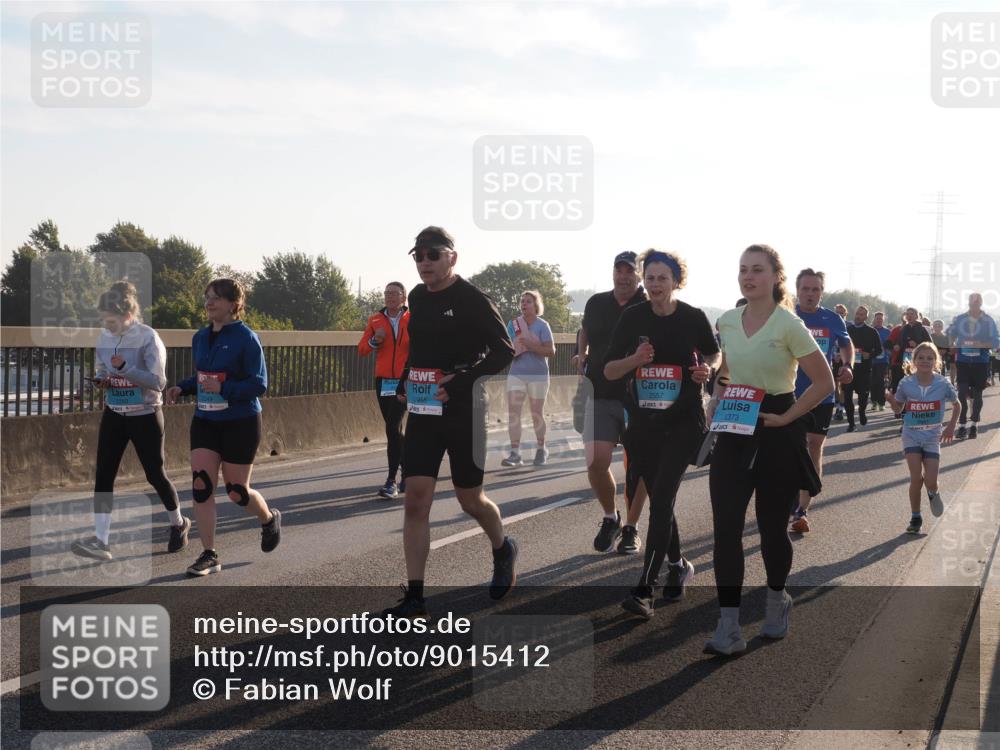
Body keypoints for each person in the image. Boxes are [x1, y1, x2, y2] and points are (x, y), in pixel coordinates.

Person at [704, 245, 833, 655]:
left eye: (757, 270)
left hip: (777, 423)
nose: (748, 276)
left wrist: (789, 416)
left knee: (770, 527)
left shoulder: (789, 324)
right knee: (725, 526)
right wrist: (715, 395)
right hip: (736, 423)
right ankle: (728, 627)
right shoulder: (726, 320)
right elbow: (727, 371)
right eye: (743, 269)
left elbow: (823, 382)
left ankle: (777, 600)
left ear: (776, 276)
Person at [383, 227, 517, 619]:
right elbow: (419, 349)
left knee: (469, 498)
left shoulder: (474, 299)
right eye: (418, 256)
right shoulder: (419, 298)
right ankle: (416, 596)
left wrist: (458, 382)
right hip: (425, 410)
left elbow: (503, 352)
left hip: (465, 409)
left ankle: (502, 547)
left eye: (432, 255)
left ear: (451, 258)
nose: (424, 262)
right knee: (415, 501)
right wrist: (409, 379)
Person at [603, 249, 719, 618]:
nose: (654, 284)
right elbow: (607, 370)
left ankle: (644, 591)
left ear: (676, 281)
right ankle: (679, 565)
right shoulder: (632, 317)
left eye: (662, 278)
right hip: (643, 426)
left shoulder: (693, 318)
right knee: (660, 501)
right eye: (649, 278)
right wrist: (635, 360)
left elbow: (715, 355)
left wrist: (706, 371)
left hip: (683, 421)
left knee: (663, 497)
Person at [165, 278, 281, 576]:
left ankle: (268, 519)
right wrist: (183, 387)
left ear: (233, 304)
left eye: (215, 297)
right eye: (207, 297)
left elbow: (259, 384)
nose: (209, 302)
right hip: (205, 419)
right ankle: (209, 554)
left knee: (236, 492)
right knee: (201, 485)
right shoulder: (200, 337)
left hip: (240, 421)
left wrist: (224, 386)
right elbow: (204, 377)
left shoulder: (246, 338)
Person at [71, 281, 188, 561]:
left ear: (126, 315)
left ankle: (179, 523)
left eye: (110, 321)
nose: (107, 326)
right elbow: (102, 366)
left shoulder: (148, 337)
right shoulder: (104, 337)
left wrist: (126, 369)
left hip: (145, 413)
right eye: (103, 321)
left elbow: (158, 382)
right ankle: (101, 541)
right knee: (104, 473)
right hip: (115, 411)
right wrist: (101, 379)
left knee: (154, 474)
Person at [579, 252, 649, 554]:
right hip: (600, 391)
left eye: (629, 271)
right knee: (596, 462)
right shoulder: (596, 303)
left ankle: (632, 528)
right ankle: (611, 517)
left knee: (638, 466)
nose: (623, 276)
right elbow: (585, 330)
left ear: (639, 275)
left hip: (639, 395)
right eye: (618, 270)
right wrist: (582, 356)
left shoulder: (649, 306)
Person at [789, 269, 853, 533]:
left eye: (815, 289)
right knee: (792, 448)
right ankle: (789, 499)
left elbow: (846, 344)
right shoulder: (787, 316)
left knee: (814, 446)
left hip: (822, 393)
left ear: (822, 292)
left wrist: (849, 365)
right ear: (797, 290)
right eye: (805, 289)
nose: (810, 294)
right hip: (789, 393)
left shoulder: (832, 318)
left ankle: (802, 509)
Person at [885, 342, 960, 534]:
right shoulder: (906, 383)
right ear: (914, 360)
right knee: (916, 477)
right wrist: (891, 400)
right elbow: (899, 409)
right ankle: (915, 517)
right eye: (921, 357)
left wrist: (950, 427)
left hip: (932, 437)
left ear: (936, 361)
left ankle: (933, 493)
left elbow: (957, 405)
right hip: (911, 435)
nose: (925, 361)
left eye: (930, 358)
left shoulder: (943, 383)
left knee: (931, 481)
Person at [358, 282, 410, 498]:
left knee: (391, 427)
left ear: (403, 297)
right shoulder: (375, 320)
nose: (389, 297)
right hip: (383, 382)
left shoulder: (413, 319)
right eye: (387, 293)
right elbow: (361, 350)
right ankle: (408, 470)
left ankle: (391, 481)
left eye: (394, 293)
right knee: (394, 429)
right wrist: (374, 340)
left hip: (405, 380)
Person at [501, 290, 555, 467]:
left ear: (536, 305)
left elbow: (551, 351)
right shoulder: (513, 324)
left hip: (538, 375)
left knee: (536, 413)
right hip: (517, 374)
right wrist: (512, 352)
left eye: (528, 301)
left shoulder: (542, 325)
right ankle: (515, 453)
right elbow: (507, 347)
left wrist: (532, 346)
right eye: (522, 301)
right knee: (514, 414)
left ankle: (542, 449)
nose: (524, 304)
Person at [948, 293, 999, 440]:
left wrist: (981, 344)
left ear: (981, 303)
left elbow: (995, 342)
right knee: (961, 393)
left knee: (977, 395)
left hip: (980, 362)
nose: (974, 304)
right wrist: (952, 344)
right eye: (971, 301)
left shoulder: (988, 320)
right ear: (968, 302)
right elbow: (952, 334)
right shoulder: (960, 319)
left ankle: (974, 424)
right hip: (963, 361)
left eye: (977, 302)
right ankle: (962, 425)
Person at [843, 305, 882, 430]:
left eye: (861, 314)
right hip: (849, 368)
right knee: (847, 396)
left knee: (863, 396)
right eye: (857, 314)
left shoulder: (871, 331)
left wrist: (869, 354)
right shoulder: (847, 330)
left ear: (866, 317)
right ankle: (851, 423)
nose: (858, 316)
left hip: (864, 369)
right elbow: (841, 347)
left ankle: (861, 412)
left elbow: (879, 350)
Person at [870, 311, 891, 411]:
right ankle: (874, 402)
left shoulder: (887, 332)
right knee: (872, 382)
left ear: (883, 320)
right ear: (874, 319)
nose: (879, 320)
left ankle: (881, 403)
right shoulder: (870, 330)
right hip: (871, 360)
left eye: (881, 319)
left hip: (883, 361)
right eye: (877, 318)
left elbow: (890, 346)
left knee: (881, 382)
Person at [832, 304, 850, 421]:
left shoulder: (849, 326)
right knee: (834, 385)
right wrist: (834, 354)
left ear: (845, 314)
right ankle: (837, 405)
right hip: (832, 359)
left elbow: (851, 344)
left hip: (844, 360)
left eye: (842, 312)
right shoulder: (829, 324)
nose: (839, 314)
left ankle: (840, 409)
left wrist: (842, 355)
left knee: (842, 386)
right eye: (837, 312)